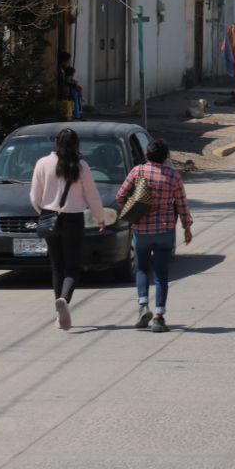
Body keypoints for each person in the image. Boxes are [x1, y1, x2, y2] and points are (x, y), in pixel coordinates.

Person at [30, 128, 106, 330]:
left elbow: (34, 197)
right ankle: (64, 299)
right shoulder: (81, 166)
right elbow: (92, 195)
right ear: (76, 145)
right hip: (73, 219)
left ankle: (59, 312)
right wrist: (100, 218)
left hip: (49, 217)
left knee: (57, 266)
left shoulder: (42, 163)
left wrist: (45, 212)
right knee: (72, 267)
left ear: (56, 142)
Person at [116, 137, 194, 333]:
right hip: (165, 231)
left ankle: (143, 305)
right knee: (161, 274)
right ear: (165, 156)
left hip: (141, 230)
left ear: (147, 154)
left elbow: (120, 196)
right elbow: (182, 204)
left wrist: (132, 211)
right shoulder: (173, 176)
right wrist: (186, 227)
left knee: (142, 268)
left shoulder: (138, 171)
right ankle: (159, 317)